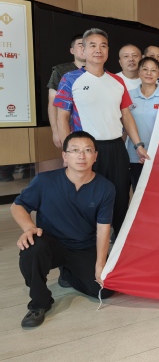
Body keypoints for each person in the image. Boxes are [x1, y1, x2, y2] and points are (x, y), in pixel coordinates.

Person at [11, 131, 115, 328]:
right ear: (65, 156)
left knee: (105, 291)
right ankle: (39, 303)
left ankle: (68, 273)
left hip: (83, 246)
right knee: (31, 247)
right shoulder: (45, 181)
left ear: (95, 156)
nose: (81, 156)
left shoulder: (105, 188)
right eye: (75, 150)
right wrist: (29, 228)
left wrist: (100, 265)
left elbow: (103, 229)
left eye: (87, 150)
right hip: (50, 243)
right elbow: (18, 206)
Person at [54, 28, 149, 238]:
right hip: (85, 150)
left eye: (103, 46)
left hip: (115, 147)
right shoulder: (70, 79)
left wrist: (138, 144)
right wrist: (69, 151)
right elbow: (62, 117)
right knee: (87, 196)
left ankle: (119, 241)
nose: (98, 50)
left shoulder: (117, 81)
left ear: (108, 51)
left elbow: (126, 115)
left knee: (120, 196)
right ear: (83, 50)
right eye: (93, 45)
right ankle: (87, 243)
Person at [127, 57, 159, 190]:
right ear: (139, 72)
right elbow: (124, 125)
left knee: (158, 195)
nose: (149, 73)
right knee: (137, 194)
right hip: (134, 155)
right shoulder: (128, 95)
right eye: (145, 69)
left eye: (153, 70)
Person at [47, 34, 86, 148]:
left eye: (87, 45)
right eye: (80, 45)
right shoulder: (60, 71)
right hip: (70, 129)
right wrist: (55, 131)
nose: (84, 48)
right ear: (72, 50)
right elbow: (53, 103)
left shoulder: (99, 72)